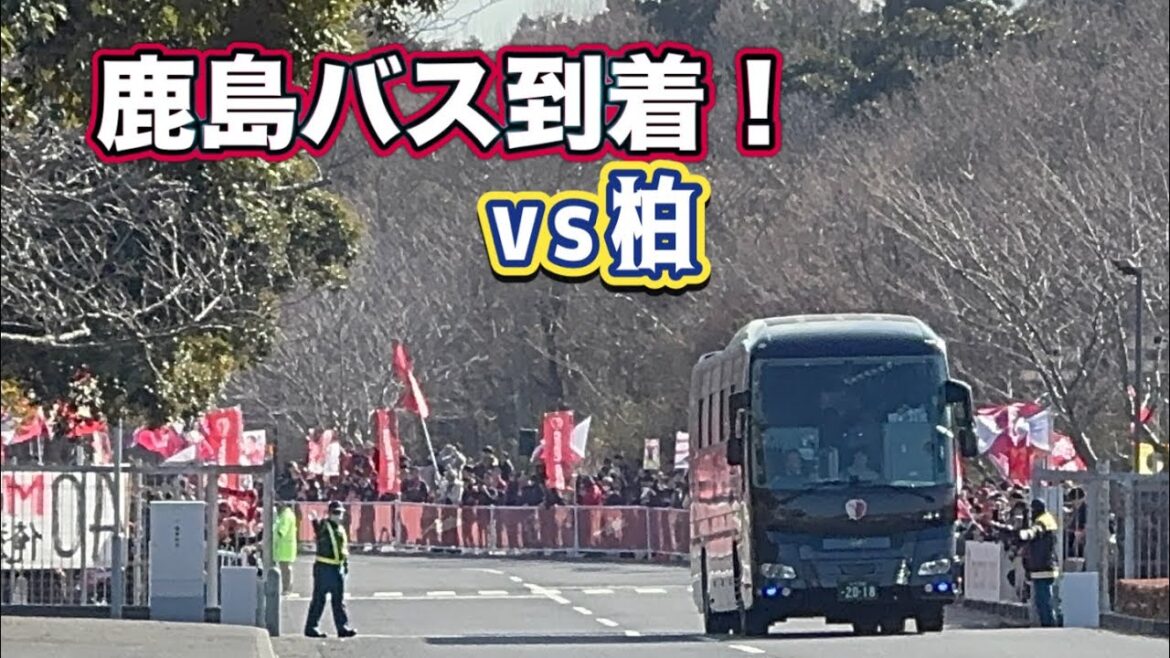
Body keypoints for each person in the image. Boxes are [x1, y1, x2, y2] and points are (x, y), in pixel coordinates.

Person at [304, 500, 357, 638]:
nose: (338, 516)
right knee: (319, 599)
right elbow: (319, 530)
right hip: (324, 567)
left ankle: (342, 628)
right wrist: (315, 521)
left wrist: (345, 566)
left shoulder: (340, 529)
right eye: (335, 513)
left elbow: (343, 550)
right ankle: (311, 628)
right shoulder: (325, 525)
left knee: (338, 601)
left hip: (337, 568)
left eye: (340, 513)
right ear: (329, 513)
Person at [1018, 498, 1060, 627]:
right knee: (1041, 599)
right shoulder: (1046, 519)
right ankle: (1047, 623)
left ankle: (1049, 624)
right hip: (1041, 565)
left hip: (1044, 566)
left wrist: (1026, 533)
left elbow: (1035, 531)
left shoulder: (1043, 521)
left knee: (1044, 599)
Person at [273, 502, 298, 595]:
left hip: (285, 547)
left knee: (285, 569)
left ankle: (287, 589)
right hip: (284, 546)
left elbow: (282, 531)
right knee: (285, 568)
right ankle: (286, 588)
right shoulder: (285, 515)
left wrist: (273, 535)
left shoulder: (286, 516)